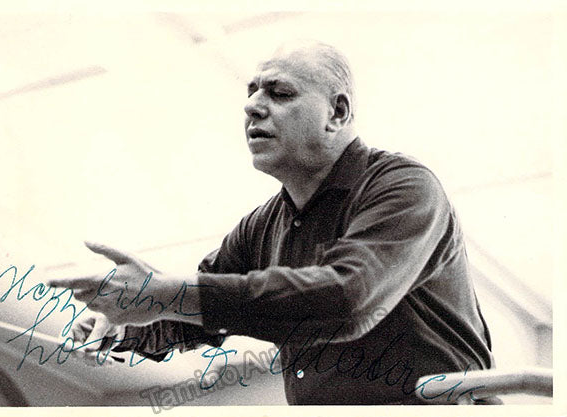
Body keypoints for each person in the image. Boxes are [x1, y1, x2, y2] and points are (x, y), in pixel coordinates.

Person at [49, 40, 497, 405]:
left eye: (279, 93)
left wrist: (166, 294)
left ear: (338, 113)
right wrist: (126, 324)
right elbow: (193, 316)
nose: (252, 107)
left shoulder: (404, 186)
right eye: (251, 92)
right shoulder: (260, 228)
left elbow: (347, 298)